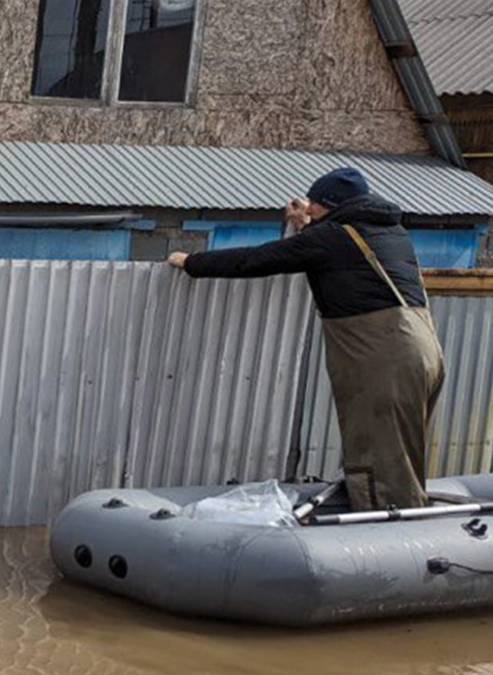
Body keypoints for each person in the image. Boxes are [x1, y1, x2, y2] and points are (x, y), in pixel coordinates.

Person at [168, 166, 444, 511]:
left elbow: (258, 259)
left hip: (384, 357)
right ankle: (398, 519)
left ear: (334, 204)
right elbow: (337, 252)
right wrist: (308, 226)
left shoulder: (334, 237)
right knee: (401, 452)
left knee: (382, 456)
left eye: (314, 202)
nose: (308, 207)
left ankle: (388, 539)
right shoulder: (390, 231)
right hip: (424, 350)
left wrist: (192, 261)